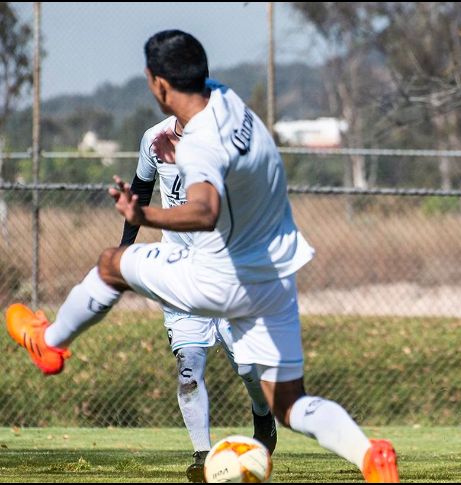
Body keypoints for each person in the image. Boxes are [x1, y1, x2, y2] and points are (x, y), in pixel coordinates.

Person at [6, 29, 399, 483]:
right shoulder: (229, 101)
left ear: (158, 84)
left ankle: (50, 344)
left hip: (216, 276)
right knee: (290, 403)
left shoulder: (199, 144)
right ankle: (370, 456)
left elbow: (205, 210)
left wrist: (143, 212)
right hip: (273, 277)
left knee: (112, 264)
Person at [119, 109, 277, 482]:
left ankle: (262, 414)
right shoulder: (153, 139)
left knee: (247, 366)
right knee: (189, 370)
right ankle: (204, 456)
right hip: (179, 274)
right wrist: (125, 248)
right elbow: (140, 193)